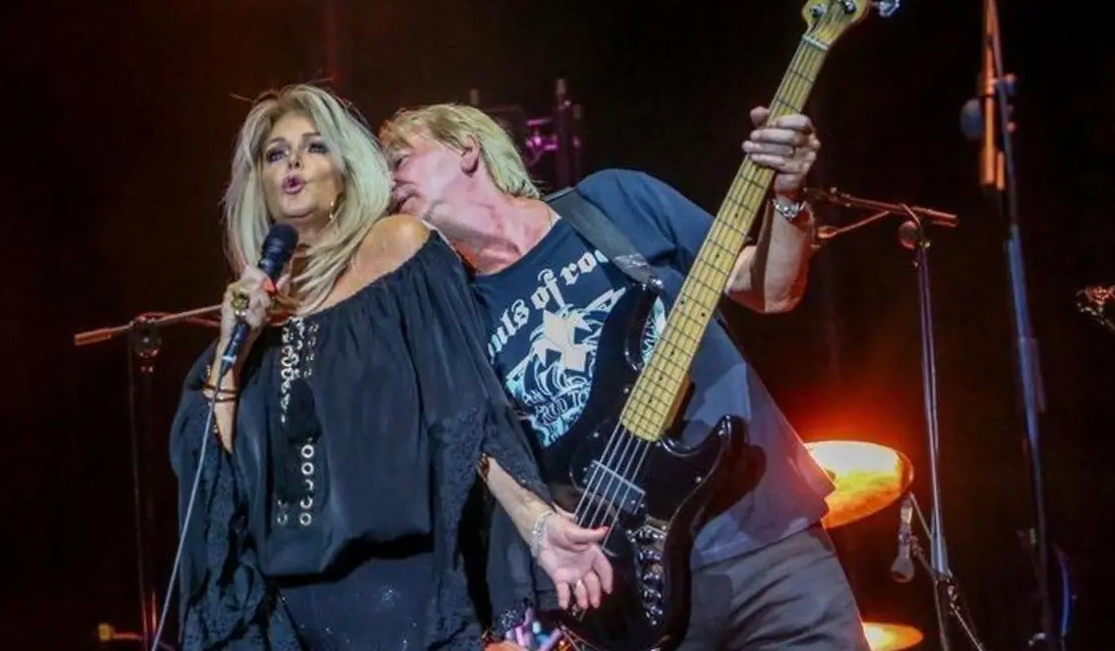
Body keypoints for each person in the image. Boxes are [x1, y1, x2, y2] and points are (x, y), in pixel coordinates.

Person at [379, 102, 870, 649]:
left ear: (466, 148)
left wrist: (788, 199)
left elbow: (769, 289)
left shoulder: (611, 202)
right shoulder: (460, 316)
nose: (389, 182)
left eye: (400, 159)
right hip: (632, 595)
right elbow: (475, 446)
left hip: (763, 542)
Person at [167, 84, 613, 651]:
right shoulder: (253, 333)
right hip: (292, 622)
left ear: (347, 171)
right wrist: (233, 351)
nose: (293, 165)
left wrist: (536, 522)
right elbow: (216, 489)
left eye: (314, 147)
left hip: (405, 602)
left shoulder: (397, 251)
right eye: (275, 154)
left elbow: (463, 411)